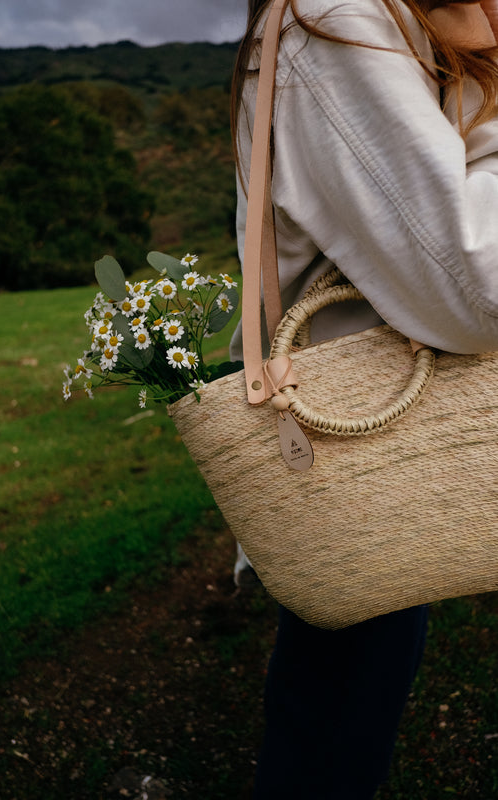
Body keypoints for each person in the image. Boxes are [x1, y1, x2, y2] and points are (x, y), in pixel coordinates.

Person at [229, 1, 498, 797]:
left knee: (343, 695)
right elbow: (474, 290)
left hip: (387, 421)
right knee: (335, 724)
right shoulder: (334, 18)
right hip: (356, 433)